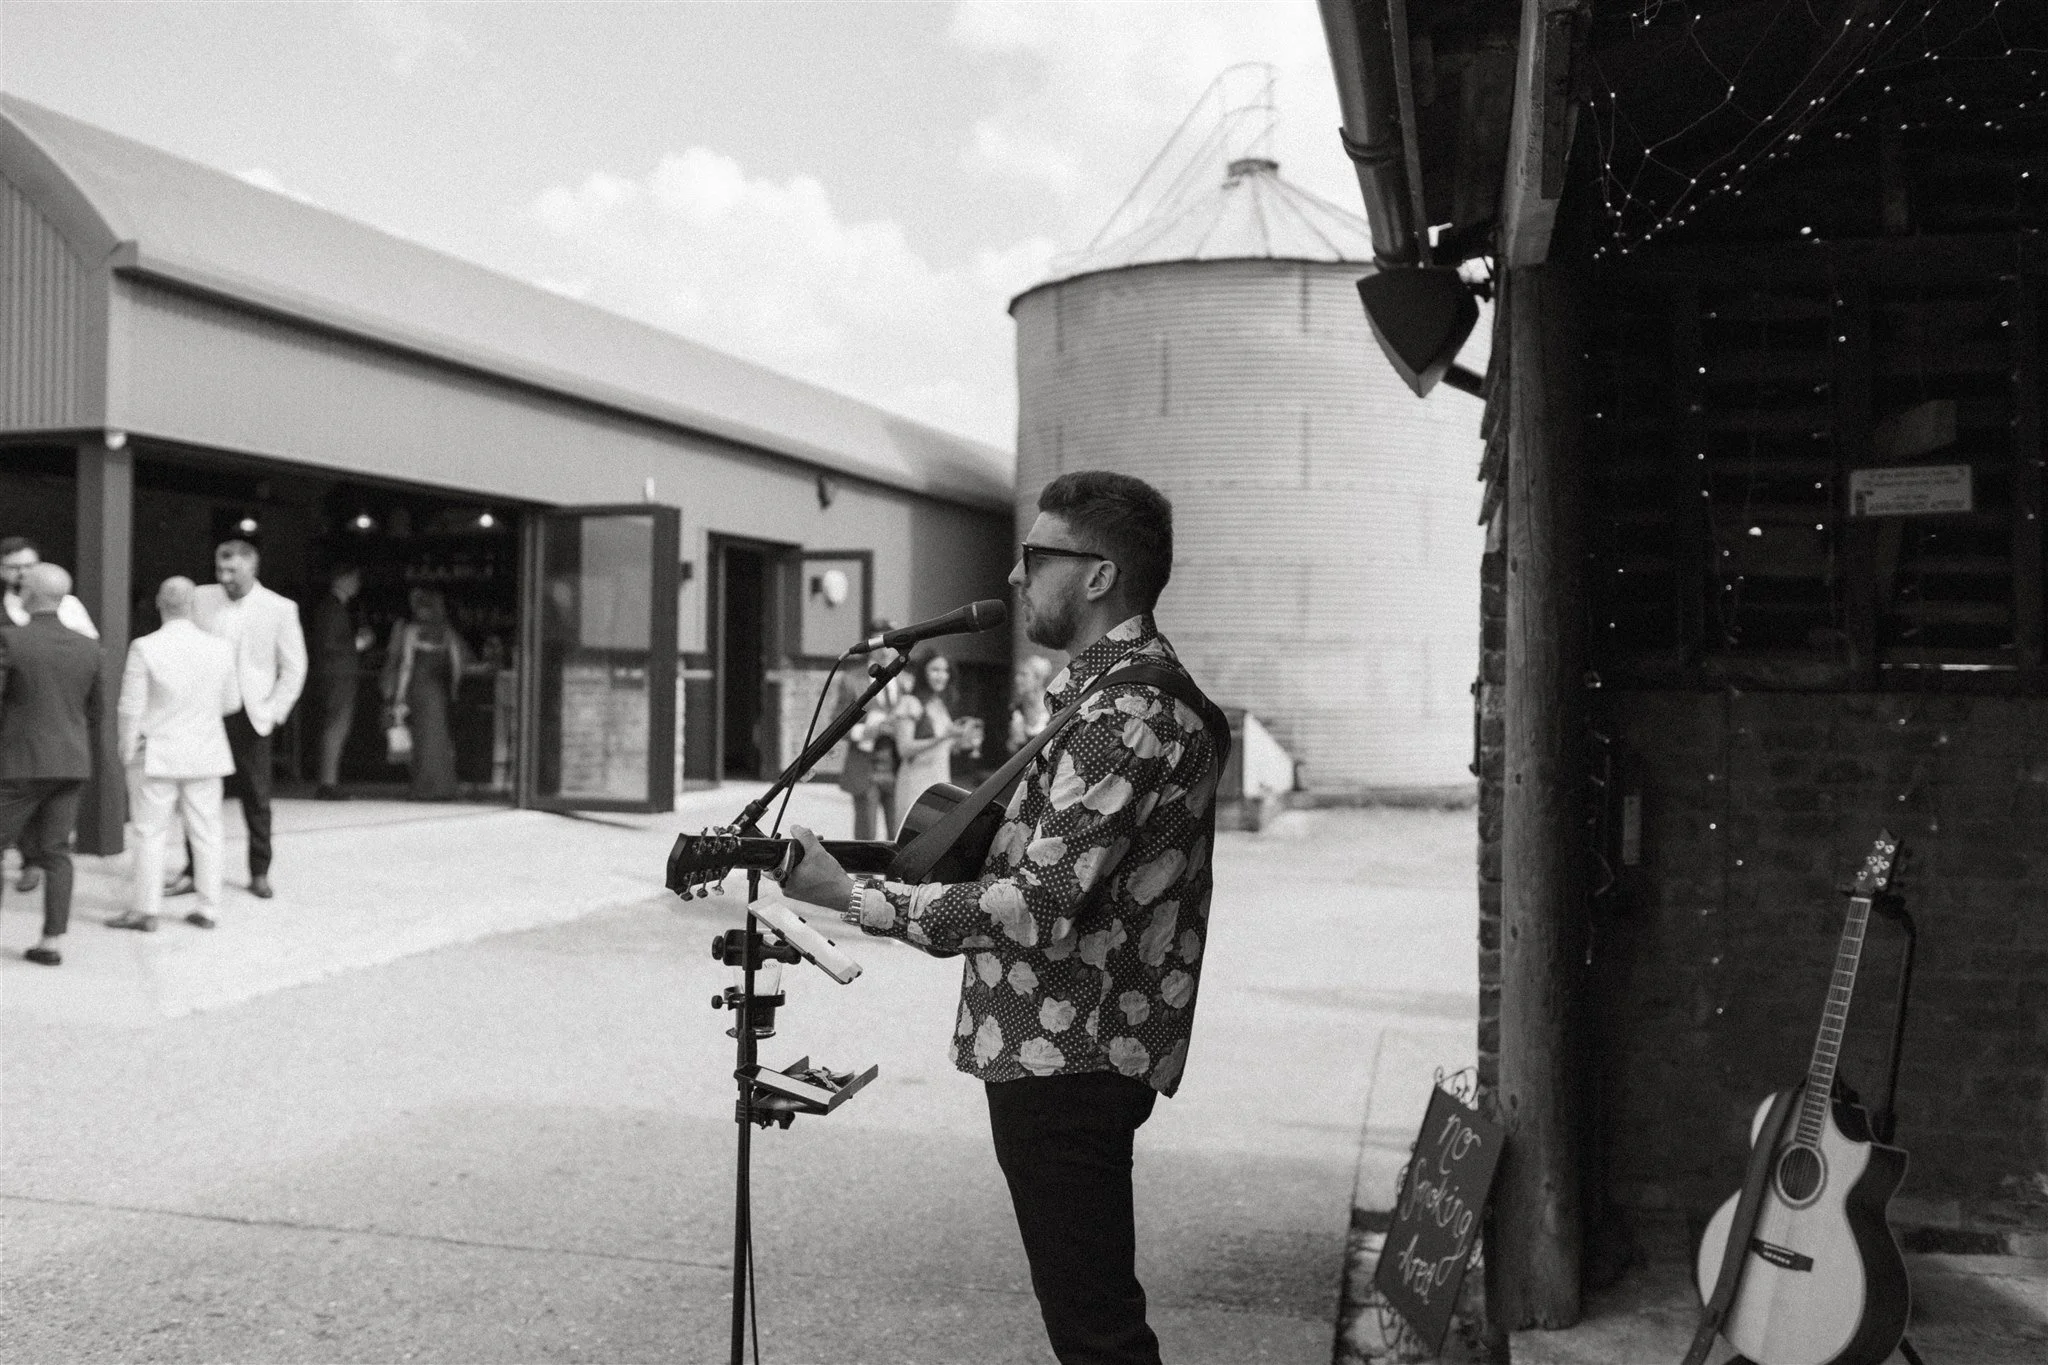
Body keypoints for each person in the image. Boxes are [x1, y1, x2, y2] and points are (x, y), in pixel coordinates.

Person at [780, 471, 1223, 1365]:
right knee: (1090, 1320)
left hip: (1072, 1055)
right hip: (1062, 1048)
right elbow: (1038, 868)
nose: (1017, 577)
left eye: (1036, 556)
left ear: (1098, 576)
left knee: (1098, 1332)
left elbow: (1042, 900)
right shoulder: (1102, 700)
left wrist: (854, 899)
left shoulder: (1126, 712)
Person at [111, 577, 239, 932]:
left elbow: (130, 705)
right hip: (206, 751)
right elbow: (232, 702)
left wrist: (125, 745)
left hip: (157, 752)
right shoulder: (220, 648)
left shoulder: (145, 647)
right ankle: (208, 908)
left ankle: (145, 909)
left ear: (158, 603)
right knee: (208, 831)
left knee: (149, 833)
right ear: (194, 605)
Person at [183, 539, 306, 900]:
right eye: (220, 569)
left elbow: (294, 666)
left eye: (232, 571)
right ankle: (195, 870)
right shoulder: (200, 598)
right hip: (208, 713)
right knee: (200, 796)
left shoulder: (279, 608)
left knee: (257, 797)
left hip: (253, 715)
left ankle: (259, 871)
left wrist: (274, 710)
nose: (224, 578)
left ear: (253, 568)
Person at [0, 563, 104, 966]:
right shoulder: (89, 648)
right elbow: (95, 712)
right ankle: (51, 942)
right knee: (57, 852)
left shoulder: (11, 640)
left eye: (23, 583)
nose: (18, 587)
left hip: (19, 762)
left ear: (36, 594)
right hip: (71, 762)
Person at [383, 587, 468, 801]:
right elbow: (457, 664)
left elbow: (406, 665)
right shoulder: (446, 631)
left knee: (421, 738)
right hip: (439, 690)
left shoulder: (412, 630)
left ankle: (423, 788)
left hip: (418, 690)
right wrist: (454, 690)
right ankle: (444, 787)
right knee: (439, 737)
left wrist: (400, 696)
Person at [834, 619, 904, 841]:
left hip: (897, 767)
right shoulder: (851, 680)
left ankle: (895, 877)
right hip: (865, 767)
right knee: (867, 836)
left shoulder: (904, 682)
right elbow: (836, 725)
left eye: (891, 645)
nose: (886, 651)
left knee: (899, 834)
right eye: (881, 644)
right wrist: (866, 731)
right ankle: (864, 877)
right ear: (870, 645)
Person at [310, 564, 372, 800]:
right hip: (338, 674)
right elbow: (329, 645)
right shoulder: (332, 608)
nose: (357, 584)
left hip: (337, 673)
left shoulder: (333, 607)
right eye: (354, 578)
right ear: (342, 579)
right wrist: (358, 645)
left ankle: (329, 781)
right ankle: (328, 783)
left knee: (336, 725)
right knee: (336, 725)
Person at [891, 649, 971, 821]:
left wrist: (961, 740)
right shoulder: (910, 703)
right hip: (916, 783)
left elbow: (943, 746)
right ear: (923, 673)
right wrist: (943, 736)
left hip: (940, 780)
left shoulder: (939, 704)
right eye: (935, 670)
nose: (941, 675)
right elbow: (904, 749)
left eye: (945, 670)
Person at [1, 536, 99, 638]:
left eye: (29, 566)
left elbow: (89, 644)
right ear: (1, 570)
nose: (23, 572)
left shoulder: (68, 604)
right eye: (14, 567)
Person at [1007, 653, 1056, 757]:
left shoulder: (1055, 708)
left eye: (1024, 675)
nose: (1017, 679)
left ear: (1039, 679)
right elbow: (1011, 751)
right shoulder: (1015, 709)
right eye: (1017, 674)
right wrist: (1014, 742)